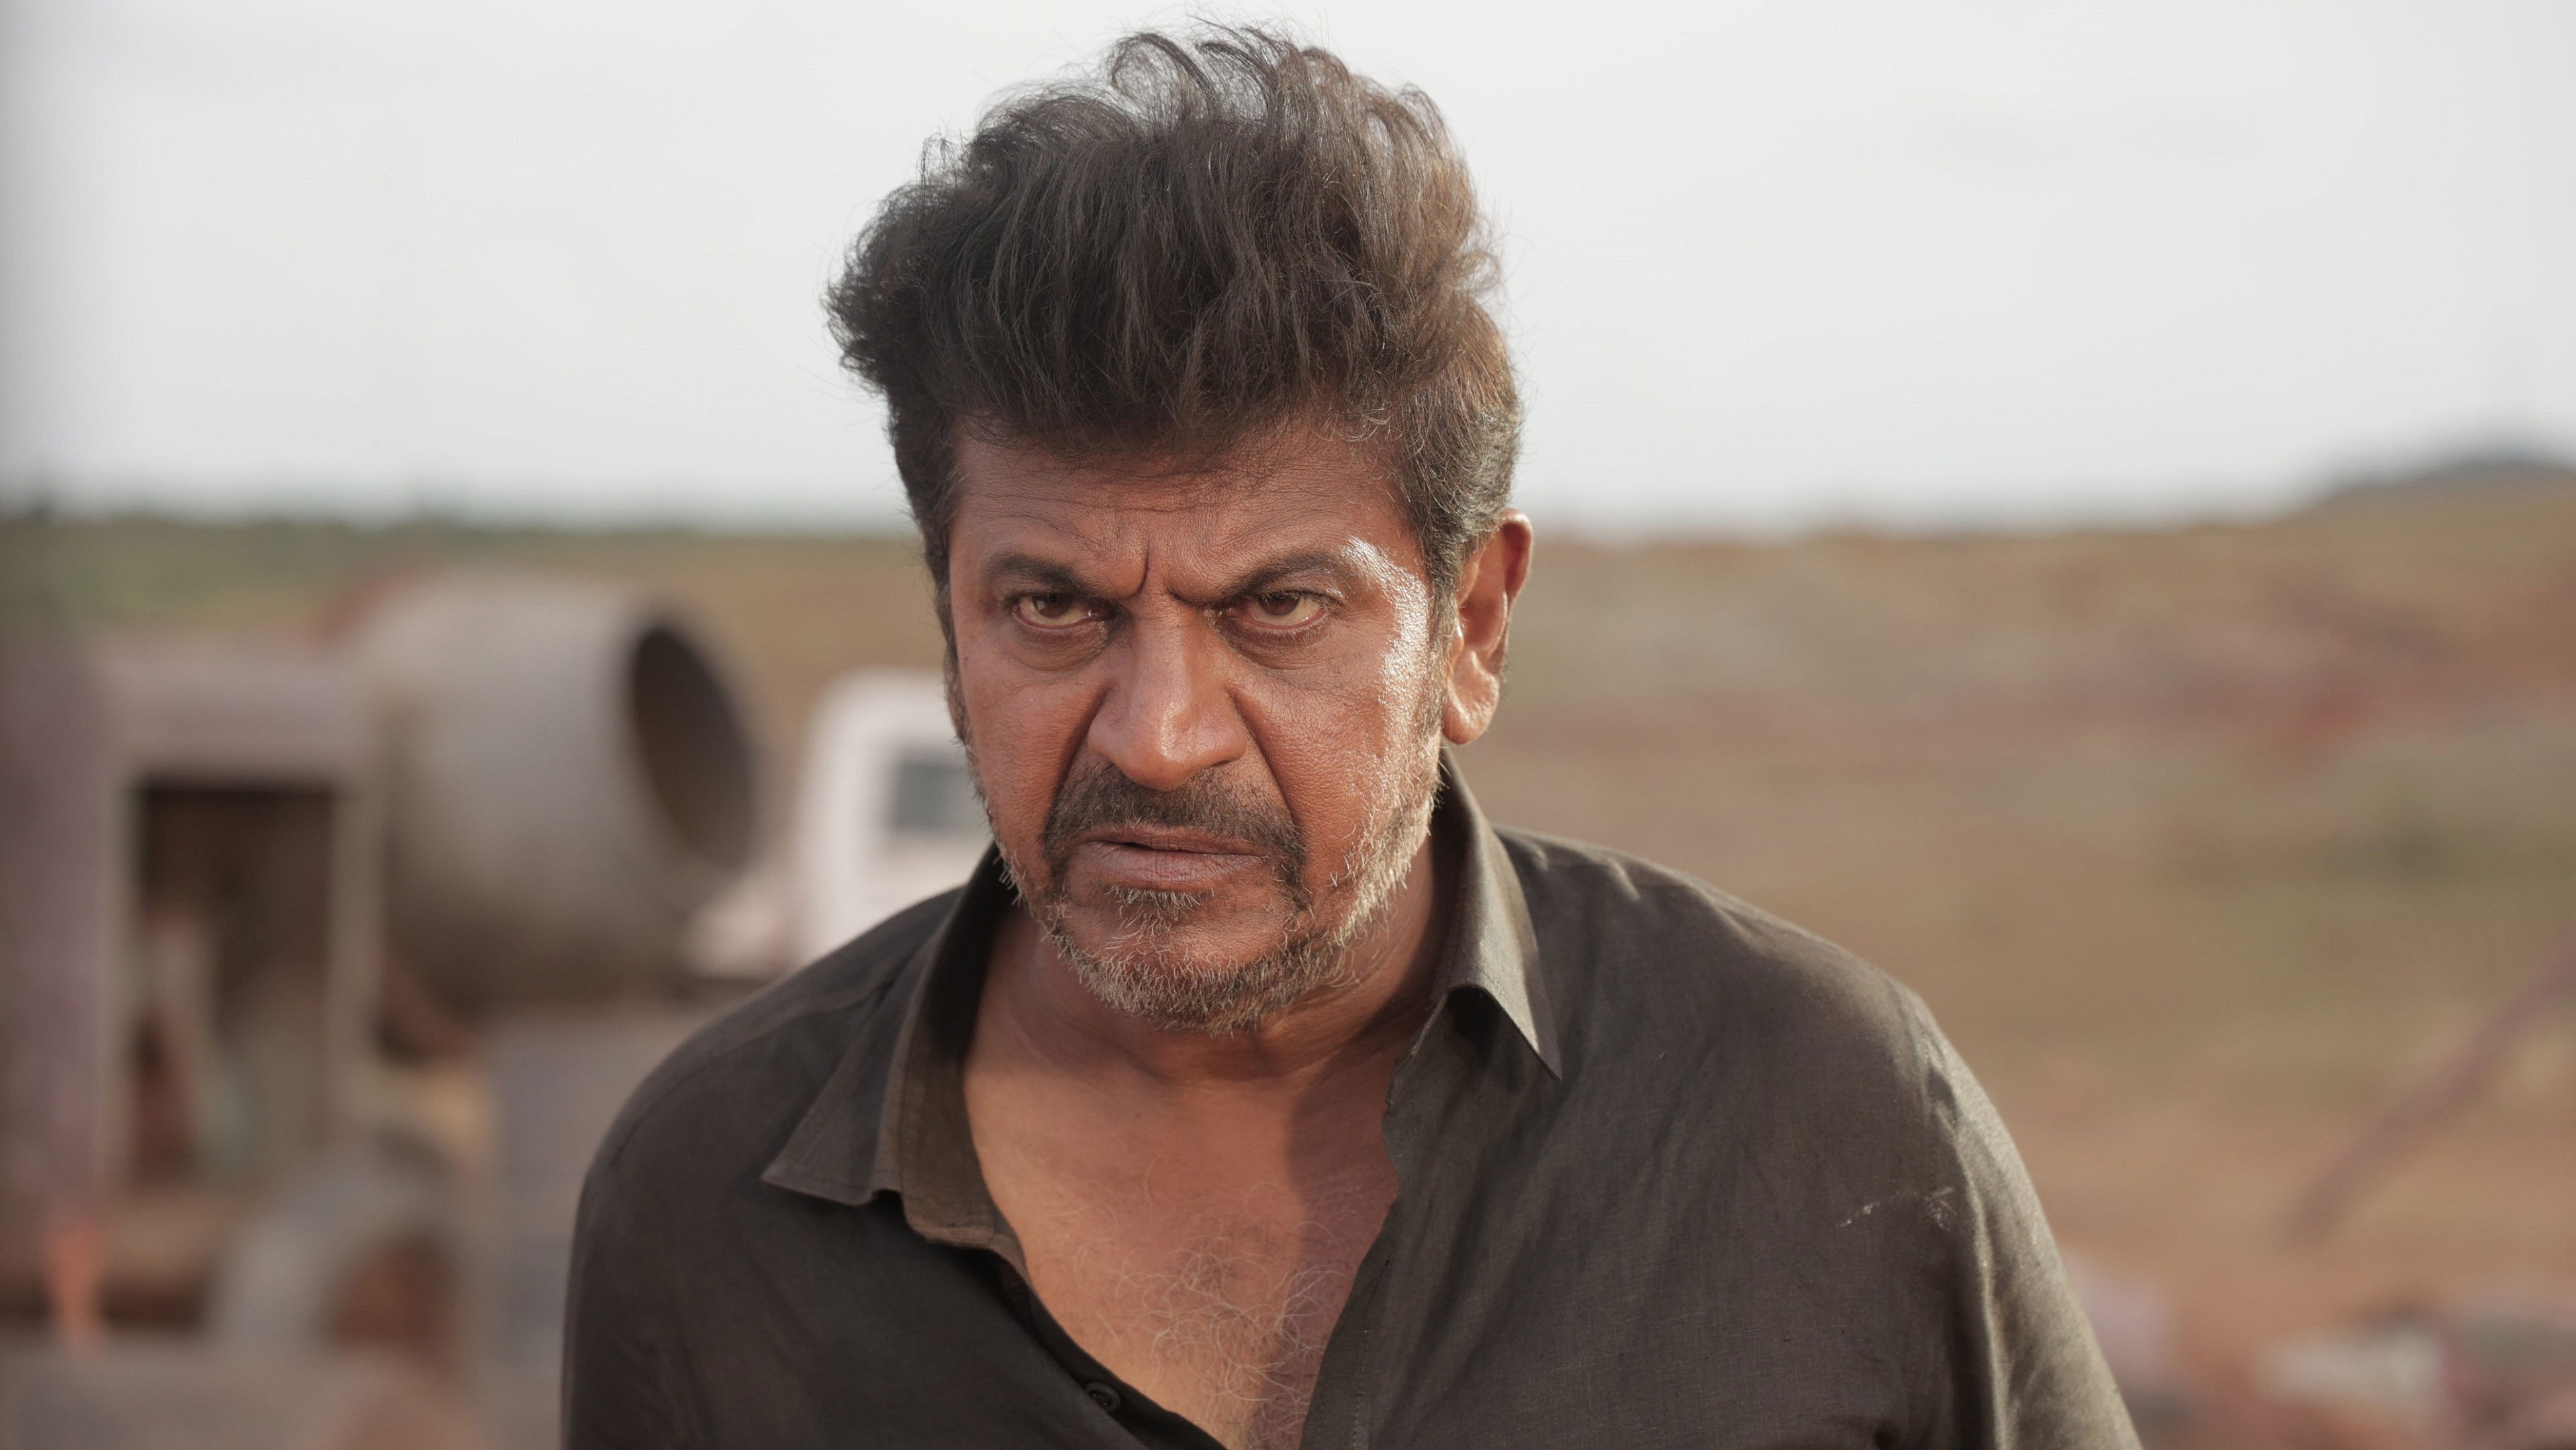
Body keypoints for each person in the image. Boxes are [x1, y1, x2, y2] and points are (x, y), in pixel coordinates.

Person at [564, 26, 2137, 1450]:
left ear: (1471, 629)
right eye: (1051, 609)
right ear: (947, 613)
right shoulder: (709, 1200)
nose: (1158, 739)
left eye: (1279, 609)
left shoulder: (1824, 1115)